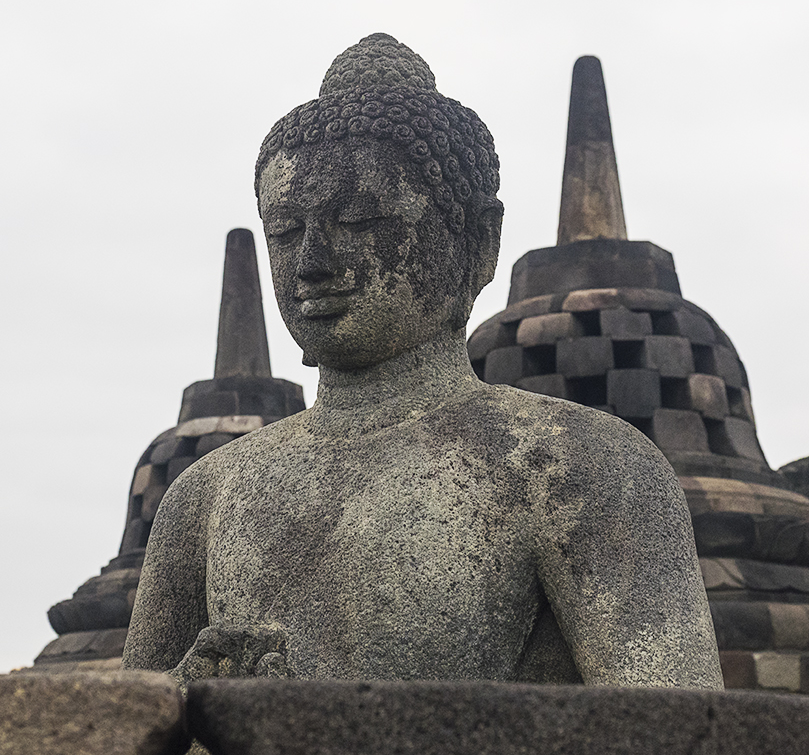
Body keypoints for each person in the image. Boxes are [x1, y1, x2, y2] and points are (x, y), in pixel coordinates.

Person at [123, 34, 723, 691]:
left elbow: (678, 727)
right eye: (287, 232)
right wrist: (196, 702)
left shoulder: (575, 467)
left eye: (358, 220)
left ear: (479, 241)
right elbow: (125, 726)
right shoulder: (206, 500)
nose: (312, 263)